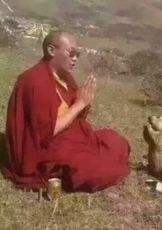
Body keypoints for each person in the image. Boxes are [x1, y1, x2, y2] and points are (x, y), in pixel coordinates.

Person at [2, 31, 130, 192]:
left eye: (78, 54)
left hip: (69, 136)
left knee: (116, 140)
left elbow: (75, 115)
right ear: (51, 50)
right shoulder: (35, 81)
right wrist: (79, 104)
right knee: (103, 170)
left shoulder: (64, 76)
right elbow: (46, 132)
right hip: (44, 148)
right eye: (71, 53)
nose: (75, 58)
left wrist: (83, 103)